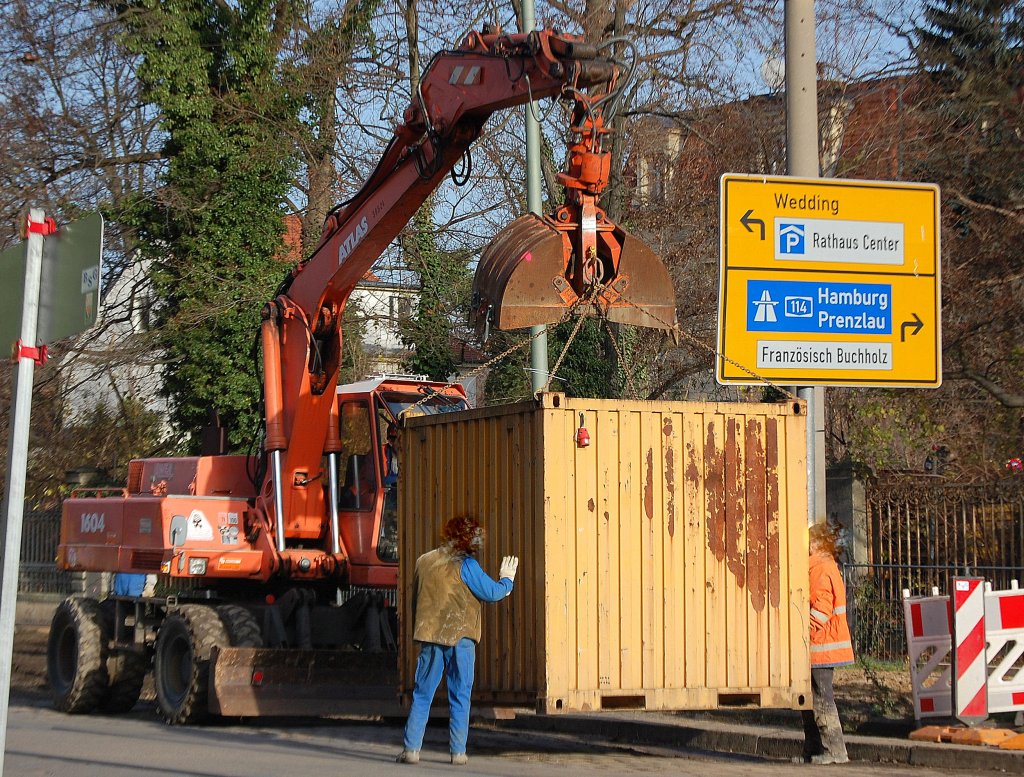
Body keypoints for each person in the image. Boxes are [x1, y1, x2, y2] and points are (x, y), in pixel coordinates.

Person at [396, 515, 519, 766]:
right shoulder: (467, 564)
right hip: (461, 639)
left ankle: (411, 750)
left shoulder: (424, 561)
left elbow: (415, 600)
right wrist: (507, 580)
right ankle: (458, 753)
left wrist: (418, 631)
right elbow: (491, 593)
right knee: (460, 695)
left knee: (422, 694)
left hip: (429, 636)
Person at [796, 522, 854, 765]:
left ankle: (834, 750)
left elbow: (821, 610)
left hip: (822, 647)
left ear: (816, 543)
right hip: (820, 647)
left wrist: (801, 631)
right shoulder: (822, 566)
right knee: (810, 700)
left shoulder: (819, 568)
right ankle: (815, 749)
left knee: (821, 700)